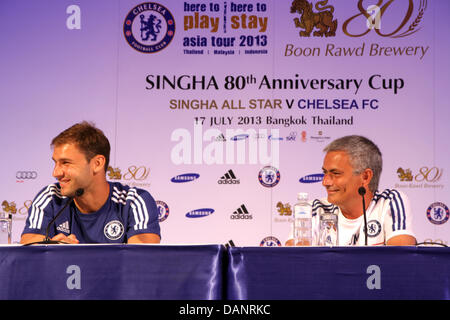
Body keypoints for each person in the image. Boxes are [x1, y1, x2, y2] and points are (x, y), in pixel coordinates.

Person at [20, 121, 161, 244]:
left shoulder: (134, 201)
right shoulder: (51, 197)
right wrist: (52, 247)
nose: (56, 173)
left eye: (66, 163)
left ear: (97, 164)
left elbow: (141, 261)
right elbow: (27, 249)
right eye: (56, 163)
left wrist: (77, 257)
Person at [286, 135, 416, 246]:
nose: (325, 182)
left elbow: (400, 260)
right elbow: (296, 260)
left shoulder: (389, 202)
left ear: (365, 177)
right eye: (325, 173)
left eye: (336, 173)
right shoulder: (314, 208)